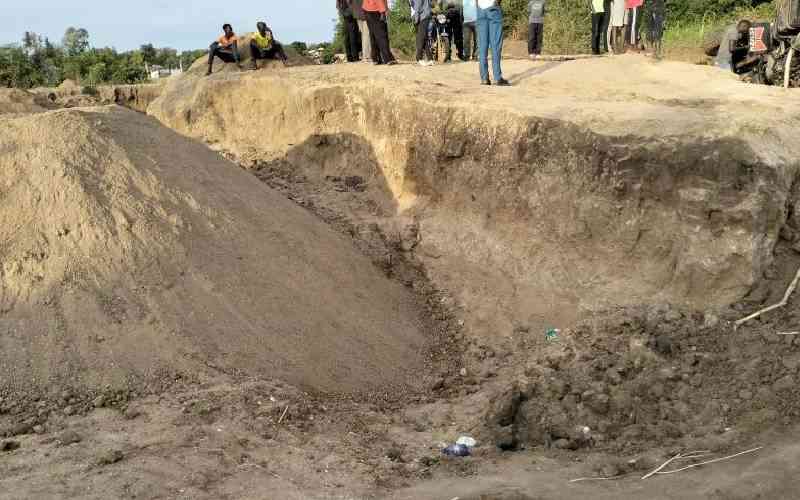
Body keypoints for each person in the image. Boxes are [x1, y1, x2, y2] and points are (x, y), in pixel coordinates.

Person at [477, 0, 509, 85]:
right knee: (495, 45)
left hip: (480, 9)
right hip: (493, 8)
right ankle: (497, 78)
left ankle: (484, 78)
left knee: (482, 45)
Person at [363, 0, 397, 64]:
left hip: (367, 8)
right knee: (382, 35)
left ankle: (376, 58)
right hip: (376, 10)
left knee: (373, 34)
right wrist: (383, 11)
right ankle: (388, 59)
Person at [411, 0, 434, 65]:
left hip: (422, 17)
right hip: (425, 16)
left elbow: (418, 7)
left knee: (420, 38)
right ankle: (430, 59)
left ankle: (419, 58)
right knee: (424, 39)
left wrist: (416, 19)